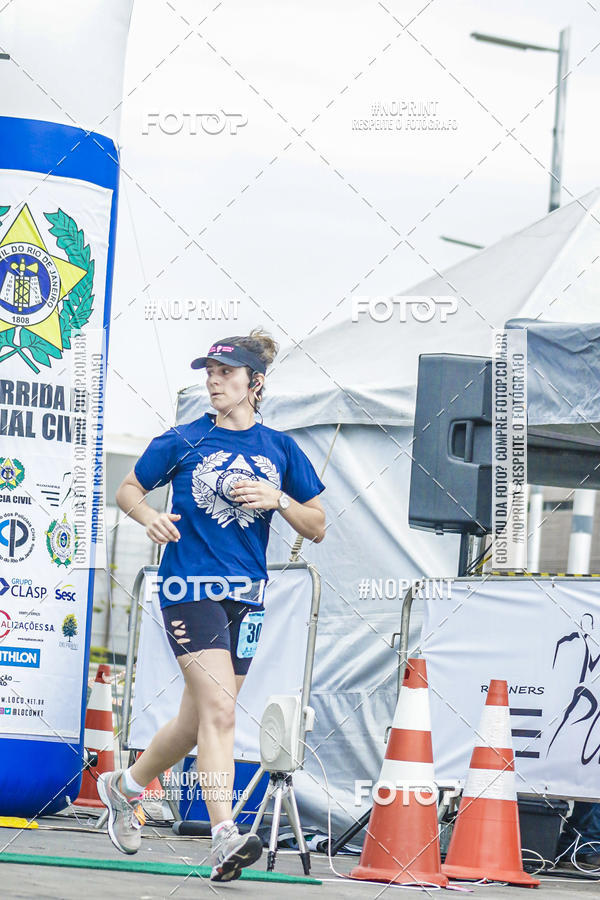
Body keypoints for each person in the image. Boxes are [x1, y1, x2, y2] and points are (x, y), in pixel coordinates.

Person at [98, 328, 326, 882]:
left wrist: (279, 498)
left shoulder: (280, 448)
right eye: (210, 372)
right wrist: (148, 516)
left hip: (247, 597)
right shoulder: (183, 439)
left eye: (226, 373)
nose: (214, 381)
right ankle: (225, 834)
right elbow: (128, 489)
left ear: (255, 383)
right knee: (221, 710)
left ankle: (124, 786)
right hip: (188, 589)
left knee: (195, 719)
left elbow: (317, 525)